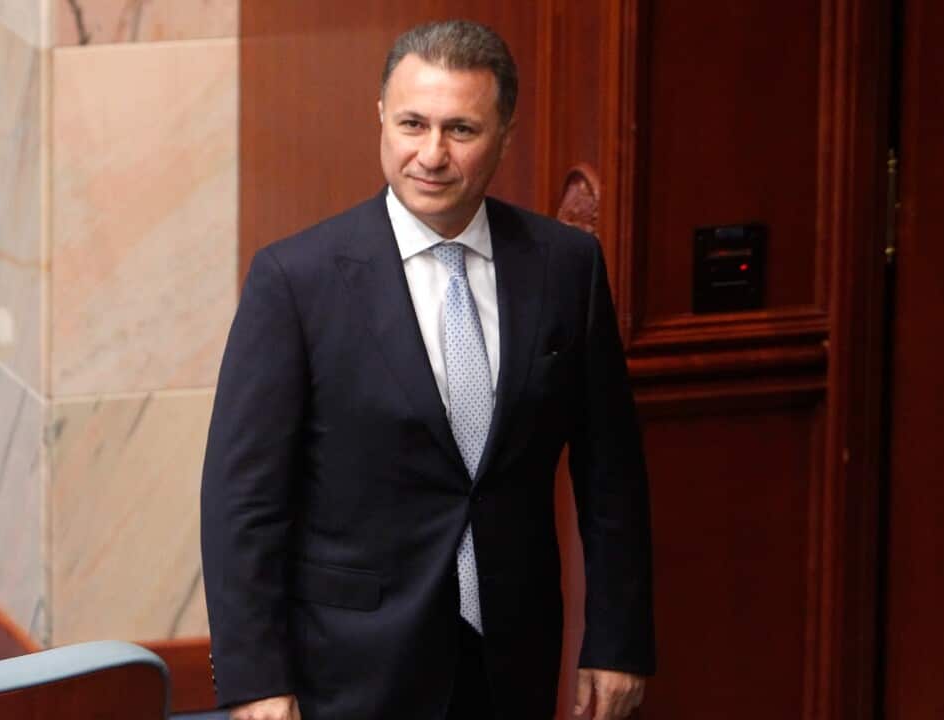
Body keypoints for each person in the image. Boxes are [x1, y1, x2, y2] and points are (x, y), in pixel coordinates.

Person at [200, 19, 654, 720]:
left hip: (512, 652)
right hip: (350, 663)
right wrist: (256, 678)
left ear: (505, 132)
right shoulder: (296, 280)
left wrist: (618, 641)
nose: (431, 155)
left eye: (461, 130)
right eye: (412, 123)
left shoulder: (567, 268)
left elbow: (611, 477)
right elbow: (242, 503)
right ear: (381, 117)